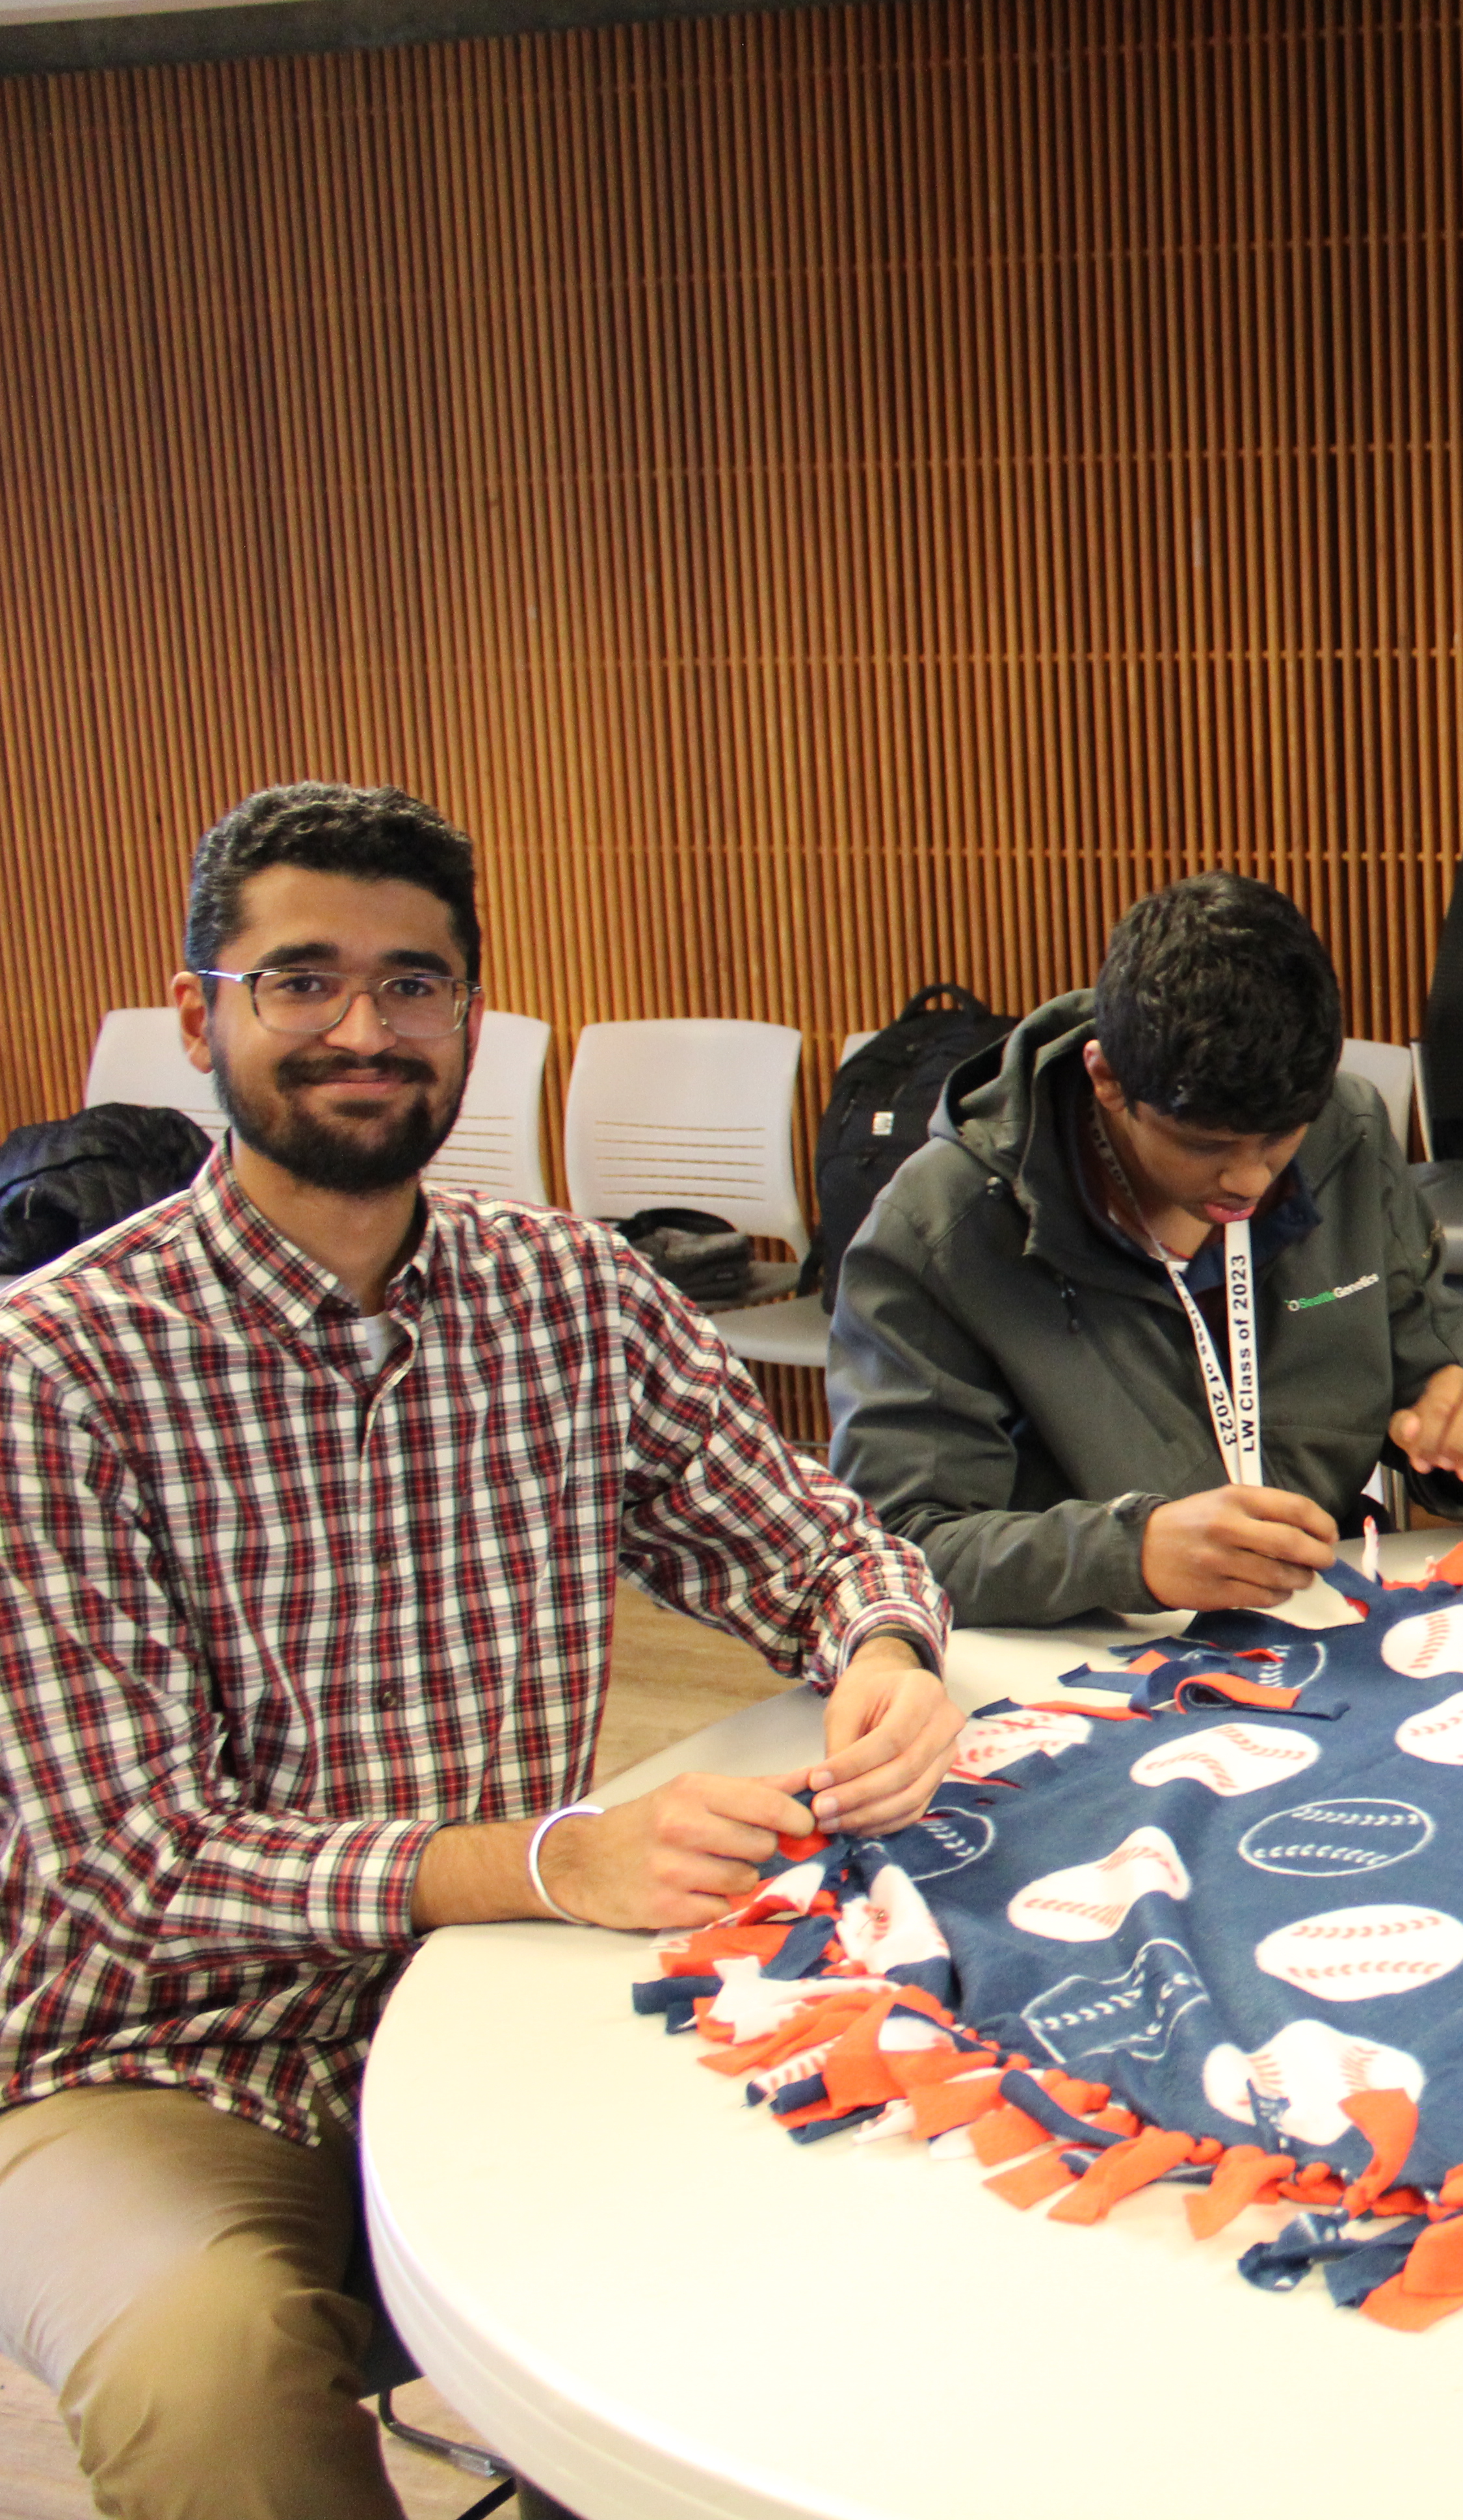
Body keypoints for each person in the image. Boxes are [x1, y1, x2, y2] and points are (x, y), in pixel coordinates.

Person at [0, 783, 957, 2520]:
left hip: (523, 1992)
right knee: (206, 2358)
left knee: (904, 2205)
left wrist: (885, 1644)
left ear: (469, 1014)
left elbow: (809, 1537)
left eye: (414, 984)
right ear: (201, 1011)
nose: (362, 1029)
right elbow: (121, 1870)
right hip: (166, 2055)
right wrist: (541, 1860)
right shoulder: (53, 1371)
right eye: (301, 981)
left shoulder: (571, 1296)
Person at [830, 871, 1463, 1627]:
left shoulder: (1346, 1132)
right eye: (1203, 1144)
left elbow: (1442, 1373)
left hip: (1320, 1626)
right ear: (1106, 1078)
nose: (1246, 1178)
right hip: (1086, 1658)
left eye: (1279, 1139)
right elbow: (898, 1551)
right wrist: (1128, 1554)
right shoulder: (940, 1229)